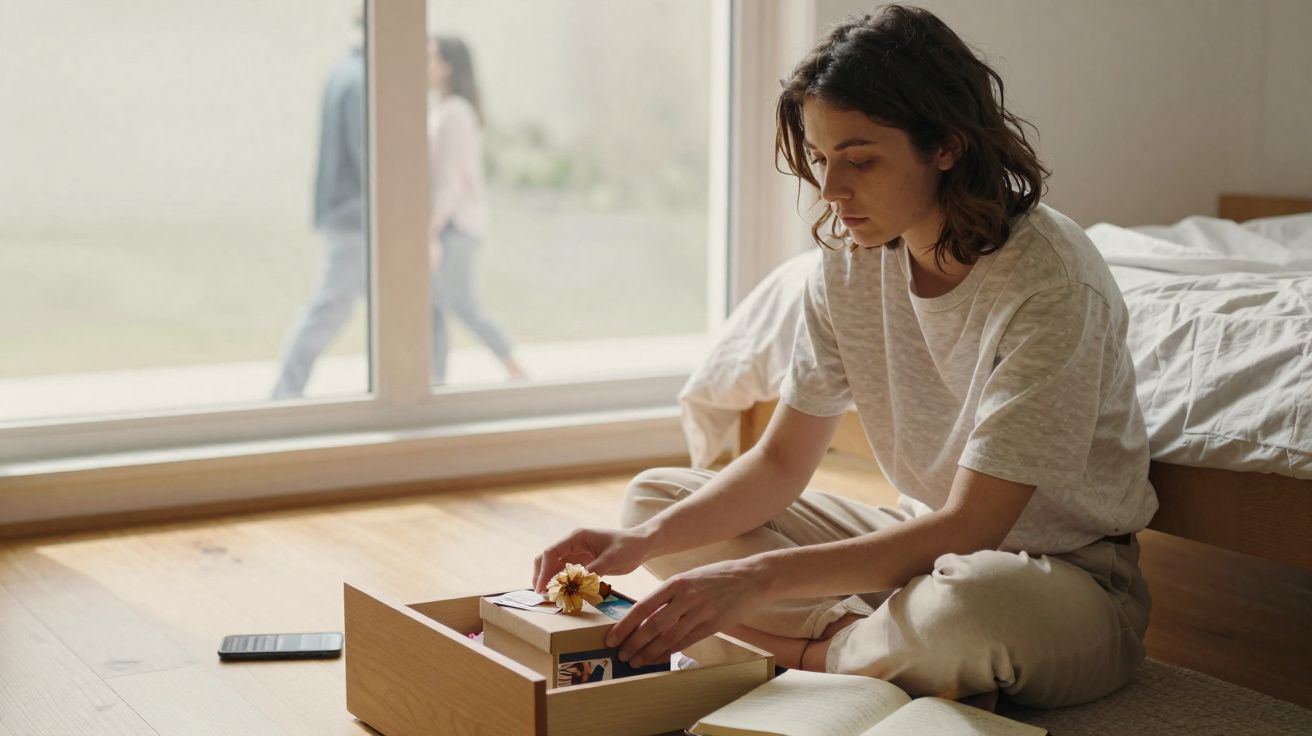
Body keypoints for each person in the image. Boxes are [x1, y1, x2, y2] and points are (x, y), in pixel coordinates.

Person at [530, 4, 1157, 710]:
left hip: (1056, 576)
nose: (831, 190)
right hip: (916, 546)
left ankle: (812, 652)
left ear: (946, 145)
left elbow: (971, 529)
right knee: (654, 501)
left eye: (859, 159)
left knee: (962, 616)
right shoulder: (849, 265)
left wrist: (754, 582)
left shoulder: (1050, 283)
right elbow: (779, 465)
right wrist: (635, 541)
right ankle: (866, 647)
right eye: (823, 160)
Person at [270, 38, 366, 400]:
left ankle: (429, 383)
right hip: (355, 218)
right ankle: (284, 395)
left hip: (345, 212)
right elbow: (369, 155)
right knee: (329, 308)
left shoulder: (343, 71)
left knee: (419, 305)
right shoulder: (361, 80)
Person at [427, 36, 525, 386]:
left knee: (458, 302)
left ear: (449, 67)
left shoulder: (455, 113)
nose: (425, 65)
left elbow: (449, 183)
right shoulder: (442, 110)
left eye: (431, 58)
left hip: (457, 225)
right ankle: (433, 379)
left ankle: (513, 365)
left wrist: (431, 230)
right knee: (434, 305)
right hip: (447, 224)